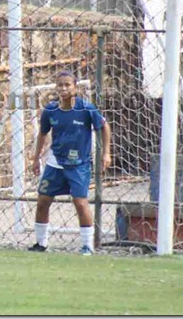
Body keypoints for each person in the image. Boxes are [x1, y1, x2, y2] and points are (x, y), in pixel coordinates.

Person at [28, 70, 111, 255]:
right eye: (60, 85)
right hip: (55, 163)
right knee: (42, 201)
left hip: (79, 165)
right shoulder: (50, 110)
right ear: (55, 88)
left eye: (67, 85)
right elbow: (42, 134)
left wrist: (106, 153)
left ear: (75, 87)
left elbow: (104, 126)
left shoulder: (86, 109)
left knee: (80, 203)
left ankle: (87, 246)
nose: (63, 88)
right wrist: (36, 158)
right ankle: (41, 243)